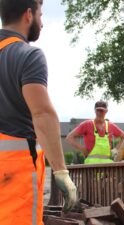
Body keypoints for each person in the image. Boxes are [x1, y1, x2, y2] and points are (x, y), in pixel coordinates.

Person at [0, 0, 77, 224]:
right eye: (40, 15)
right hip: (15, 173)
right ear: (28, 15)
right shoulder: (28, 56)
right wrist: (61, 173)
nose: (42, 23)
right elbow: (42, 114)